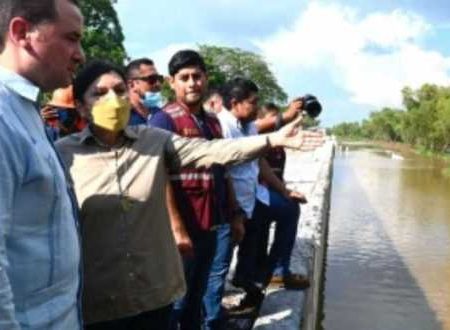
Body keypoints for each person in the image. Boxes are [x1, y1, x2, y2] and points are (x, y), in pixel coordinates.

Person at [55, 60, 317, 330]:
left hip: (154, 294)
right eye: (100, 94)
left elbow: (213, 151)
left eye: (120, 91)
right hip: (99, 302)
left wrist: (272, 139)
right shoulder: (62, 155)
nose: (114, 101)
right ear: (81, 106)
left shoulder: (153, 140)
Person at [0, 0, 85, 328]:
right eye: (71, 38)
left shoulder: (27, 111)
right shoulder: (4, 116)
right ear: (22, 33)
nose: (80, 54)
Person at [152, 50, 244, 330]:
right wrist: (177, 229)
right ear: (172, 82)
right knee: (175, 301)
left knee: (197, 296)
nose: (192, 83)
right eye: (184, 78)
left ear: (206, 79)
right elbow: (159, 178)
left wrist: (235, 213)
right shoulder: (163, 121)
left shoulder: (213, 122)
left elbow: (223, 172)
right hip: (181, 229)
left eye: (197, 76)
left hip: (210, 224)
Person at [218, 78, 314, 313]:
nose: (256, 106)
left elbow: (260, 161)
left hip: (253, 196)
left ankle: (274, 274)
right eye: (253, 102)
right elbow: (224, 172)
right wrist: (236, 213)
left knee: (289, 208)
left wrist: (284, 190)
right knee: (221, 260)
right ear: (235, 103)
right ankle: (214, 308)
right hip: (233, 203)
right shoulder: (222, 126)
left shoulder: (247, 125)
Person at [125, 57, 165, 126]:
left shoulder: (160, 114)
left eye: (159, 78)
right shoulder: (123, 117)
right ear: (131, 84)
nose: (158, 84)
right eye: (152, 79)